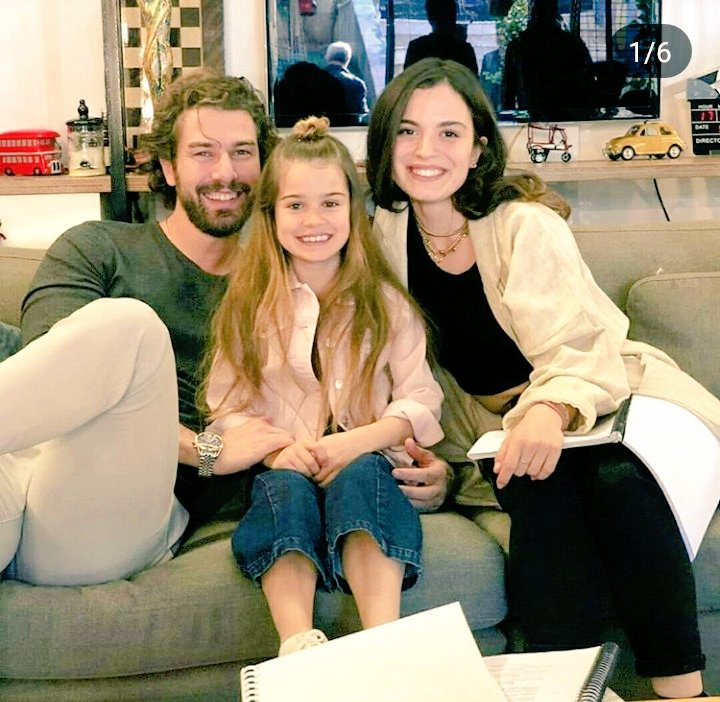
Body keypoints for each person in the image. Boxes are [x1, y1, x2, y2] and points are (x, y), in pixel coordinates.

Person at [365, 57, 720, 698]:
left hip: (610, 400)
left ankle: (683, 691)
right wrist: (437, 463)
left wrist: (547, 412)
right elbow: (401, 372)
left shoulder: (524, 225)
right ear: (385, 143)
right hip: (495, 428)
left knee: (615, 482)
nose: (425, 151)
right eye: (407, 131)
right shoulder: (382, 235)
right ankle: (570, 690)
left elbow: (581, 346)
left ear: (478, 148)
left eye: (449, 132)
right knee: (537, 484)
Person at [0, 71, 290, 586]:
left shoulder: (280, 290)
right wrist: (206, 450)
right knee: (123, 328)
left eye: (243, 152)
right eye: (203, 153)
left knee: (131, 325)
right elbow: (47, 375)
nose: (226, 172)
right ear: (169, 167)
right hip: (16, 481)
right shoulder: (96, 247)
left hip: (107, 522)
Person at [203, 116, 444, 656]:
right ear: (271, 216)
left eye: (331, 203)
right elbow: (226, 407)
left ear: (354, 211)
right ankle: (298, 643)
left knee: (363, 476)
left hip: (366, 464)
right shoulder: (248, 306)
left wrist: (358, 441)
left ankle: (383, 640)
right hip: (285, 467)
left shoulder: (386, 302)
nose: (314, 220)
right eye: (295, 205)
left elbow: (421, 396)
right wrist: (277, 450)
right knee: (284, 493)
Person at [502, 0, 599, 120]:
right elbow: (589, 81)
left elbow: (508, 92)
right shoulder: (571, 43)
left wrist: (507, 119)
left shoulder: (519, 45)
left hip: (539, 116)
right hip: (565, 116)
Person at [403, 0, 478, 75]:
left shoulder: (416, 48)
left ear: (430, 18)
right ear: (453, 15)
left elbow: (407, 79)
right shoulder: (465, 50)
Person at [323, 41, 369, 124]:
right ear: (348, 59)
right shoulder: (357, 84)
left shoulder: (312, 81)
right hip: (347, 130)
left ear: (327, 57)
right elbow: (360, 114)